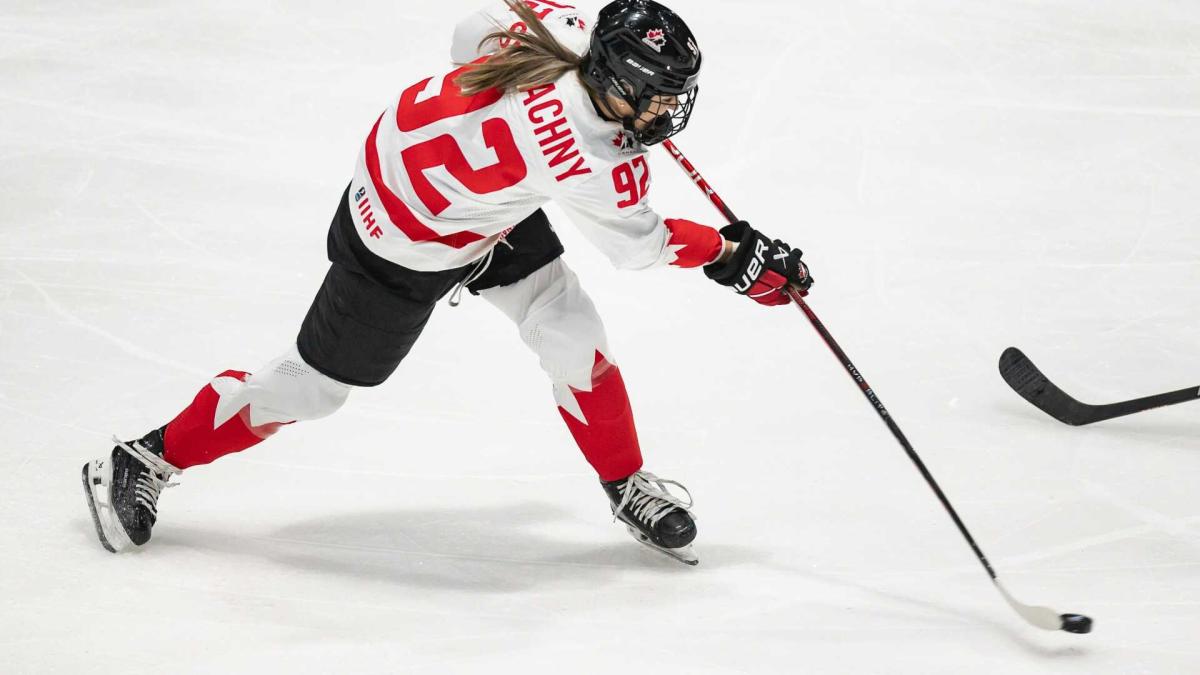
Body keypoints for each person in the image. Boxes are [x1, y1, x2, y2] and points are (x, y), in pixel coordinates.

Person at [80, 0, 813, 566]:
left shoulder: (556, 27)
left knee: (571, 331)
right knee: (314, 388)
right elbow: (643, 247)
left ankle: (625, 484)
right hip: (401, 247)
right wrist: (736, 258)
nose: (667, 112)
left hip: (447, 194)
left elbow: (473, 32)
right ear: (619, 84)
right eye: (658, 97)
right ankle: (144, 455)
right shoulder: (590, 159)